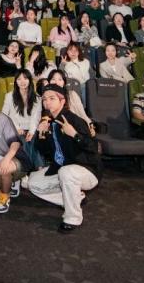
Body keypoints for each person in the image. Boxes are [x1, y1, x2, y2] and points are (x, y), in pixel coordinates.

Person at [28, 84, 98, 232]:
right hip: (62, 169)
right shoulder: (50, 122)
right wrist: (41, 135)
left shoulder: (74, 120)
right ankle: (75, 197)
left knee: (66, 172)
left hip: (87, 169)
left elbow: (93, 147)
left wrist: (75, 135)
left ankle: (73, 218)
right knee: (32, 183)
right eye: (45, 99)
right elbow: (45, 151)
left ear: (62, 101)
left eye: (52, 98)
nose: (47, 102)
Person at [2, 69, 42, 142]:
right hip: (14, 128)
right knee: (22, 141)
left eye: (25, 78)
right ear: (16, 82)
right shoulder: (9, 96)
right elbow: (4, 115)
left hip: (32, 128)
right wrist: (16, 128)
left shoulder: (37, 98)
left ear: (30, 80)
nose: (22, 81)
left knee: (31, 141)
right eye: (19, 79)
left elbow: (36, 117)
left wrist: (31, 132)